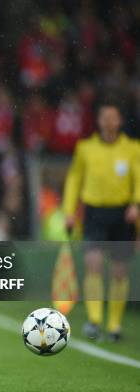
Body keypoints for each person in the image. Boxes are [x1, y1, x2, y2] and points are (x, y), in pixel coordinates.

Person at [63, 103, 140, 342]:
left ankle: (114, 325)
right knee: (93, 264)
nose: (108, 121)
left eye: (112, 117)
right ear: (98, 121)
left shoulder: (132, 148)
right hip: (94, 212)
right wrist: (69, 210)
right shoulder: (85, 148)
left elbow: (139, 177)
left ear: (119, 122)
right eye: (104, 117)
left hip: (122, 213)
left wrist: (136, 204)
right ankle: (95, 320)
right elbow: (75, 178)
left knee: (119, 271)